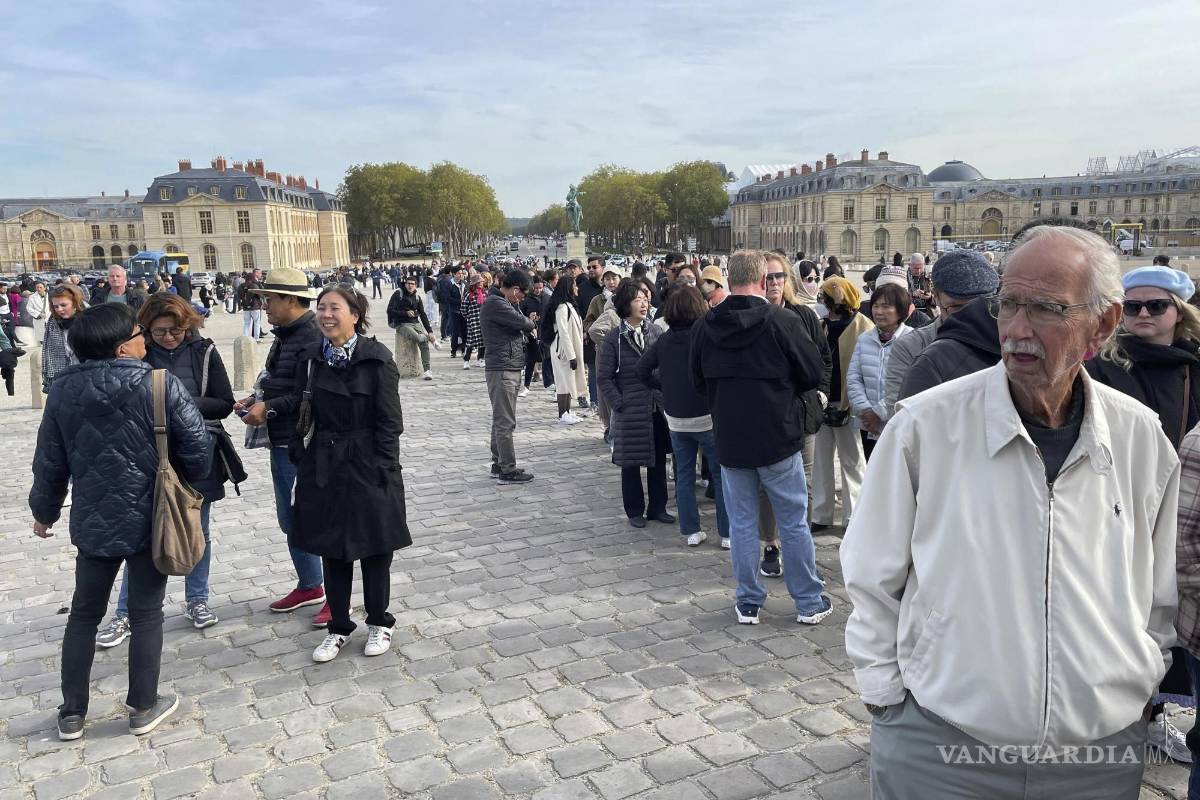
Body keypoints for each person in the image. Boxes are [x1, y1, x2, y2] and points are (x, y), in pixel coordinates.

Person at [842, 224, 1178, 797]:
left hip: (1095, 754)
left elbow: (1159, 586)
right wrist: (887, 697)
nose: (1018, 330)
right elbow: (871, 573)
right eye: (1008, 305)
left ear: (1103, 322)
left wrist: (1140, 675)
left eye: (1046, 309)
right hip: (941, 747)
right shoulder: (925, 426)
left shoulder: (1138, 436)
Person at [30, 302, 210, 741]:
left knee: (84, 615)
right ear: (121, 346)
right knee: (147, 614)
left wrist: (44, 511)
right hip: (154, 516)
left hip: (93, 519)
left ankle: (72, 713)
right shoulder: (158, 383)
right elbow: (199, 450)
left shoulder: (63, 392)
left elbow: (49, 462)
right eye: (137, 333)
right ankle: (142, 707)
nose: (144, 338)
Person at [1085, 265, 1200, 763]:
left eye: (1157, 306)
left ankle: (1157, 714)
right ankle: (1126, 716)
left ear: (1180, 312)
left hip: (1186, 510)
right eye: (1133, 306)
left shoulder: (1194, 365)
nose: (1145, 315)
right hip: (1121, 510)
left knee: (1170, 618)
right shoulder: (1103, 367)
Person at [690, 250, 830, 626]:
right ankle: (808, 600)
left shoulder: (706, 326)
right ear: (763, 280)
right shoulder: (781, 321)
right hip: (778, 435)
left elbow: (697, 380)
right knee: (793, 522)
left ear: (729, 280)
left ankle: (749, 599)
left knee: (742, 524)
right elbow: (812, 371)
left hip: (732, 438)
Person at [95, 293, 238, 647]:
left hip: (198, 452)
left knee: (197, 532)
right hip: (149, 456)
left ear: (187, 324)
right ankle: (127, 613)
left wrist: (176, 402)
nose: (169, 338)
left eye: (175, 331)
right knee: (142, 538)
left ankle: (197, 599)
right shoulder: (140, 353)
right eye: (159, 333)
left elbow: (225, 402)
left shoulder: (204, 352)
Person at [289, 286, 411, 663]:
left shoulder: (376, 359)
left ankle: (379, 621)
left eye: (334, 308)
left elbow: (390, 422)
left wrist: (384, 468)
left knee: (376, 549)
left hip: (368, 464)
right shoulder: (310, 359)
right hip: (323, 466)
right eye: (321, 308)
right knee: (333, 550)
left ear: (355, 315)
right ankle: (338, 626)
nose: (325, 314)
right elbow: (299, 407)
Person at [233, 267, 327, 624]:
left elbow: (310, 394)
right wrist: (256, 398)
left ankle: (336, 592)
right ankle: (310, 583)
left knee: (313, 518)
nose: (264, 306)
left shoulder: (311, 336)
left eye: (269, 299)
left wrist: (268, 407)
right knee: (290, 518)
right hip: (281, 439)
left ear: (290, 300)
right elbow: (283, 383)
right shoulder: (286, 334)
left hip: (301, 442)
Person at [637, 286, 727, 546]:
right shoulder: (707, 336)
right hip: (707, 415)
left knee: (684, 475)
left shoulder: (664, 340)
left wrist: (663, 384)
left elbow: (642, 371)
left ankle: (691, 531)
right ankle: (727, 532)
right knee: (720, 476)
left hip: (676, 417)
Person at [883, 249, 999, 418]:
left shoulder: (1011, 342)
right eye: (958, 308)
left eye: (980, 306)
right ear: (936, 297)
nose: (971, 316)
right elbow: (900, 418)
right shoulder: (910, 347)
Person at [598, 279, 671, 528]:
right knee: (630, 464)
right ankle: (634, 510)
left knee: (658, 460)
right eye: (638, 299)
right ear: (625, 304)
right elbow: (604, 378)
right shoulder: (613, 339)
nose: (644, 303)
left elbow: (665, 369)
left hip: (655, 407)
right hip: (629, 409)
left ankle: (658, 508)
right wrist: (619, 404)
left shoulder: (656, 332)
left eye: (646, 298)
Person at [810, 277, 872, 531]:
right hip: (822, 399)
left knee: (853, 460)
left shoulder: (863, 326)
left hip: (851, 401)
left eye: (824, 297)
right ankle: (821, 515)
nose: (820, 302)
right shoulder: (820, 325)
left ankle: (853, 515)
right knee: (821, 460)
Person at [481, 271, 536, 484]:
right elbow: (525, 324)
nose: (522, 299)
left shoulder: (500, 302)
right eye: (521, 295)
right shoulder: (497, 303)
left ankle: (499, 462)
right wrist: (527, 321)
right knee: (505, 421)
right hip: (503, 368)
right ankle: (507, 469)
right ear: (515, 290)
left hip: (506, 366)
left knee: (500, 419)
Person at [847, 283, 913, 460]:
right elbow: (853, 378)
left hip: (898, 422)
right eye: (875, 306)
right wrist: (866, 411)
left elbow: (909, 383)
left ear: (900, 311)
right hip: (869, 426)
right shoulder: (864, 339)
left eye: (886, 306)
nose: (879, 311)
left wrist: (880, 412)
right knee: (873, 470)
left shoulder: (912, 340)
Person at [544, 275, 589, 424]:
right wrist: (571, 355)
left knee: (567, 381)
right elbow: (563, 332)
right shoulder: (562, 307)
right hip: (562, 350)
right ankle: (563, 414)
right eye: (574, 285)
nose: (577, 288)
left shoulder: (568, 305)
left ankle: (567, 411)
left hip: (566, 349)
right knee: (564, 382)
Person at [387, 276, 439, 380]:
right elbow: (390, 310)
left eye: (412, 284)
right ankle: (430, 339)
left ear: (416, 286)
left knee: (423, 344)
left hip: (415, 323)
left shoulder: (417, 297)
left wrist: (430, 331)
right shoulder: (398, 294)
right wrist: (405, 313)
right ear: (405, 284)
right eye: (408, 283)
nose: (410, 285)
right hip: (402, 324)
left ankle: (427, 371)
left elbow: (423, 315)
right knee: (419, 338)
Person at [41, 285, 85, 393]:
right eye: (56, 306)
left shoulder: (89, 319)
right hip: (61, 373)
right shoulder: (52, 322)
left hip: (86, 372)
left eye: (63, 305)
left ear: (75, 302)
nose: (59, 309)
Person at [460, 272, 486, 368]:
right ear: (475, 284)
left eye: (481, 282)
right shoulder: (469, 295)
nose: (481, 283)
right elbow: (463, 308)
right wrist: (469, 317)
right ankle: (466, 361)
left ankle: (480, 359)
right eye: (479, 282)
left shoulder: (484, 293)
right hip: (473, 321)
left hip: (483, 321)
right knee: (470, 342)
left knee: (483, 341)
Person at [441, 265, 467, 357]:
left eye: (461, 273)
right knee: (455, 331)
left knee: (465, 331)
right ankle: (454, 351)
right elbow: (447, 298)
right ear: (453, 274)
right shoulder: (449, 284)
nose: (460, 275)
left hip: (464, 311)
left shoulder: (464, 283)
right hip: (454, 310)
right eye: (458, 273)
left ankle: (464, 349)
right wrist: (459, 301)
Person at [239, 269, 265, 340]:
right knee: (257, 323)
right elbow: (260, 295)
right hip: (255, 306)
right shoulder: (254, 285)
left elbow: (239, 295)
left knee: (246, 323)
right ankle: (256, 338)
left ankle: (245, 338)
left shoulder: (241, 286)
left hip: (245, 307)